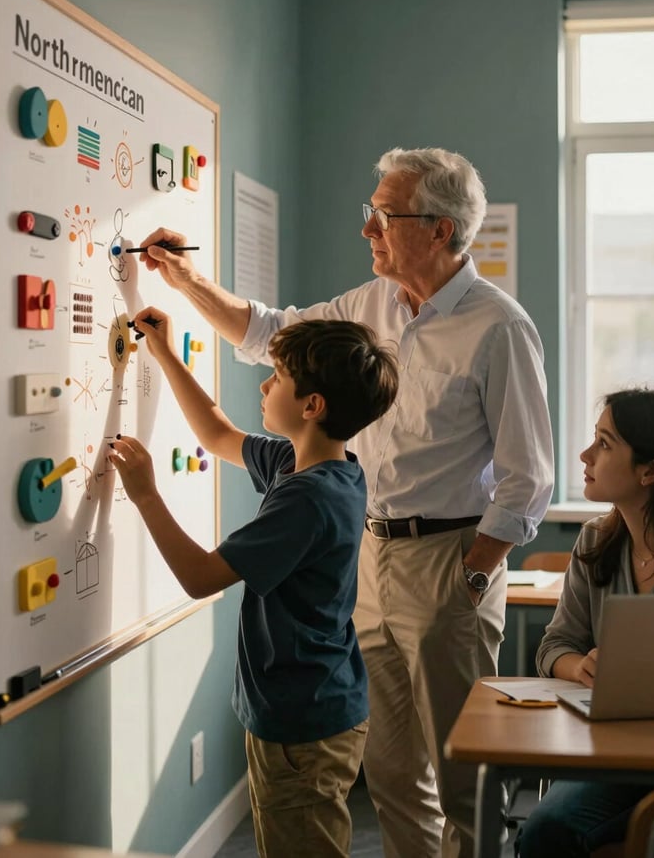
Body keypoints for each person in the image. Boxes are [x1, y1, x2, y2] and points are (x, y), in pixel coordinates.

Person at [137, 146, 555, 858]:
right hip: (366, 552)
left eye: (383, 216)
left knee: (463, 777)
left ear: (440, 231)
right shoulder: (368, 306)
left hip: (448, 560)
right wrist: (186, 281)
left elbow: (530, 475)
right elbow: (269, 333)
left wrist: (475, 571)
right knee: (392, 774)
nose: (367, 230)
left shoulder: (499, 327)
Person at [109, 310, 399, 858]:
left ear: (312, 406)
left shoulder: (308, 499)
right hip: (307, 705)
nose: (264, 385)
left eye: (278, 378)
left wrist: (146, 493)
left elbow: (200, 578)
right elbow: (217, 433)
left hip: (303, 722)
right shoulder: (318, 466)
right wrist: (167, 353)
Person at [516, 386, 654, 858]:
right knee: (544, 831)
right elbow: (553, 646)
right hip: (614, 754)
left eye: (604, 443)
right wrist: (581, 667)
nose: (584, 454)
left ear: (650, 471)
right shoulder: (596, 541)